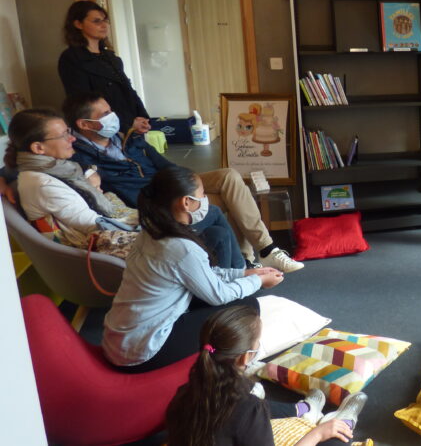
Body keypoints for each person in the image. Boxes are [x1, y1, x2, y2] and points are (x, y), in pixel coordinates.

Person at [63, 92, 304, 272]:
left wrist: (190, 182)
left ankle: (265, 250)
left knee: (229, 177)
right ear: (84, 125)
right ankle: (248, 258)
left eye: (110, 111)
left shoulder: (126, 139)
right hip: (154, 200)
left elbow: (167, 166)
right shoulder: (82, 157)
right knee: (219, 204)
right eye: (104, 115)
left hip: (172, 184)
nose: (112, 117)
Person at [102, 166, 285, 372]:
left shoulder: (151, 230)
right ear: (186, 202)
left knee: (225, 294)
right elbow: (218, 295)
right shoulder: (181, 248)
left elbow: (200, 274)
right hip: (142, 353)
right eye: (202, 195)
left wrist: (244, 274)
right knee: (247, 306)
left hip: (119, 342)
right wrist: (258, 281)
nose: (205, 200)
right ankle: (229, 367)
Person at [166, 305, 368, 445]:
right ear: (246, 357)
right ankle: (345, 422)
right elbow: (244, 412)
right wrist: (317, 434)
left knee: (259, 404)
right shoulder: (248, 408)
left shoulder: (184, 393)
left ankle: (304, 409)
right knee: (334, 440)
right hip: (247, 410)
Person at [3, 109, 138, 250]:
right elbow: (94, 224)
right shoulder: (44, 184)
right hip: (91, 246)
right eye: (63, 135)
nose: (72, 138)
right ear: (38, 148)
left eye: (68, 131)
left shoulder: (56, 167)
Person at [58, 0, 151, 135]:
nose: (104, 25)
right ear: (78, 24)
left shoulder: (111, 57)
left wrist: (143, 117)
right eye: (96, 21)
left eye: (105, 21)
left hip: (130, 126)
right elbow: (84, 103)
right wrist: (128, 122)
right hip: (103, 130)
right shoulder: (71, 58)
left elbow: (128, 90)